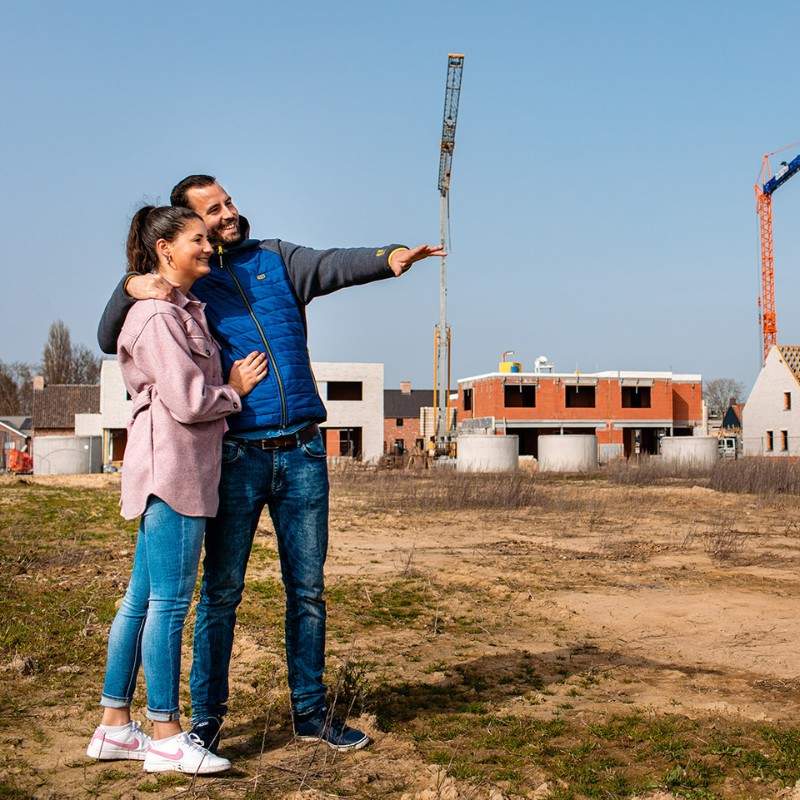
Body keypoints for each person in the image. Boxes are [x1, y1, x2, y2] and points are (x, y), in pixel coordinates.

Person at [97, 175, 445, 753]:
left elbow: (333, 264)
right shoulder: (185, 285)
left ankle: (311, 713)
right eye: (212, 211)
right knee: (221, 594)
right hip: (236, 455)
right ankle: (207, 720)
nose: (228, 214)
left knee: (307, 591)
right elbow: (110, 332)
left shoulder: (274, 258)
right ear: (187, 228)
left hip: (304, 451)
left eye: (229, 202)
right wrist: (132, 282)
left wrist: (390, 258)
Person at [87, 205, 266, 774]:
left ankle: (115, 725)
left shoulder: (178, 310)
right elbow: (189, 401)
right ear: (165, 249)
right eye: (197, 239)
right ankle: (166, 735)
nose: (209, 247)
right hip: (175, 472)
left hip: (170, 467)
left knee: (141, 599)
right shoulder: (159, 317)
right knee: (167, 603)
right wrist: (233, 389)